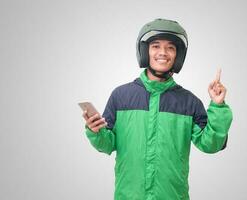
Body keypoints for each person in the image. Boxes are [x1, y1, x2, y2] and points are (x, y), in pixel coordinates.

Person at [82, 18, 233, 200]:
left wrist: (217, 106)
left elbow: (210, 144)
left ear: (178, 55)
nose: (163, 52)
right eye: (155, 46)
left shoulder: (189, 102)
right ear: (145, 51)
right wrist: (96, 131)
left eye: (170, 47)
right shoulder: (121, 96)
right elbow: (108, 144)